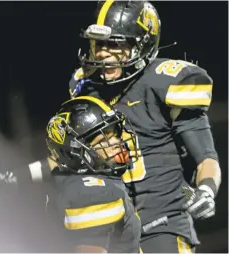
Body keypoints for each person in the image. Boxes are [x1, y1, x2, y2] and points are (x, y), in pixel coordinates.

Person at [67, 1, 222, 253]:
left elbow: (206, 158)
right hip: (113, 232)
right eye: (100, 43)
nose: (103, 53)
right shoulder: (88, 89)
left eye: (115, 44)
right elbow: (71, 156)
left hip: (163, 226)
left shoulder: (164, 84)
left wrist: (206, 189)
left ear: (141, 44)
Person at [44, 96, 142, 253]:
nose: (117, 143)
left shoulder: (69, 182)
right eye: (104, 139)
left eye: (115, 134)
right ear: (76, 152)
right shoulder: (93, 191)